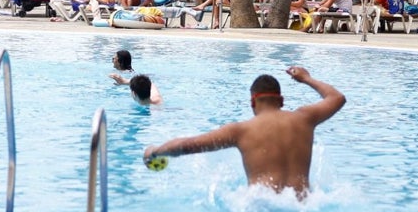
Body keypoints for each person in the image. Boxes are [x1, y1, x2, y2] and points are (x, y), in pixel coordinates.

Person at [143, 66, 344, 197]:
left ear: (252, 101)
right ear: (281, 101)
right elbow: (337, 98)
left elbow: (188, 146)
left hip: (260, 207)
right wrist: (307, 78)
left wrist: (155, 151)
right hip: (303, 206)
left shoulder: (241, 131)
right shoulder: (304, 119)